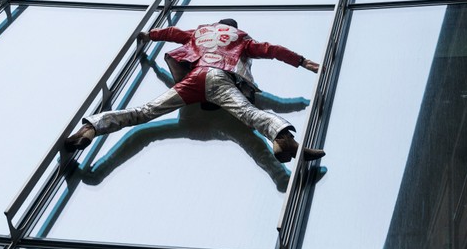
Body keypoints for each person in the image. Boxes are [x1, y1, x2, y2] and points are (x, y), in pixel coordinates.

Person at [65, 18, 325, 163]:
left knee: (143, 112)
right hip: (219, 77)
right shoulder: (241, 39)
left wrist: (148, 34)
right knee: (249, 114)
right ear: (233, 27)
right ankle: (282, 139)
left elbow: (173, 33)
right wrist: (304, 62)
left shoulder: (199, 33)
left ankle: (91, 128)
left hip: (194, 78)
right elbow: (272, 50)